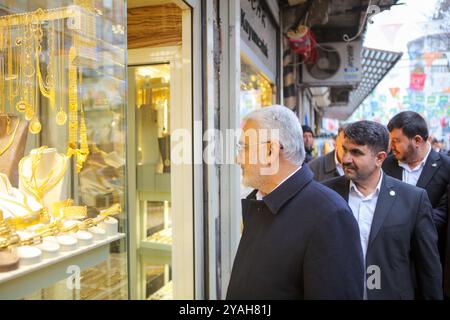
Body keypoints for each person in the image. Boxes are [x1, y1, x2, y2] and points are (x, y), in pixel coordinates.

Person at [226, 105, 364, 300]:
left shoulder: (329, 215)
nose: (238, 158)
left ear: (271, 151)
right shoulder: (260, 202)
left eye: (245, 148)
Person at [324, 120, 443, 300]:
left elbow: (428, 268)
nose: (346, 159)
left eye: (356, 152)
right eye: (345, 149)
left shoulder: (413, 200)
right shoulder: (324, 195)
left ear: (380, 158)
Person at [382, 111, 450, 298]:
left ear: (417, 140)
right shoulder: (385, 167)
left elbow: (442, 214)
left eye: (396, 140)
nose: (391, 146)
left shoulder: (446, 168)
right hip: (391, 263)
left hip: (429, 262)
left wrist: (404, 228)